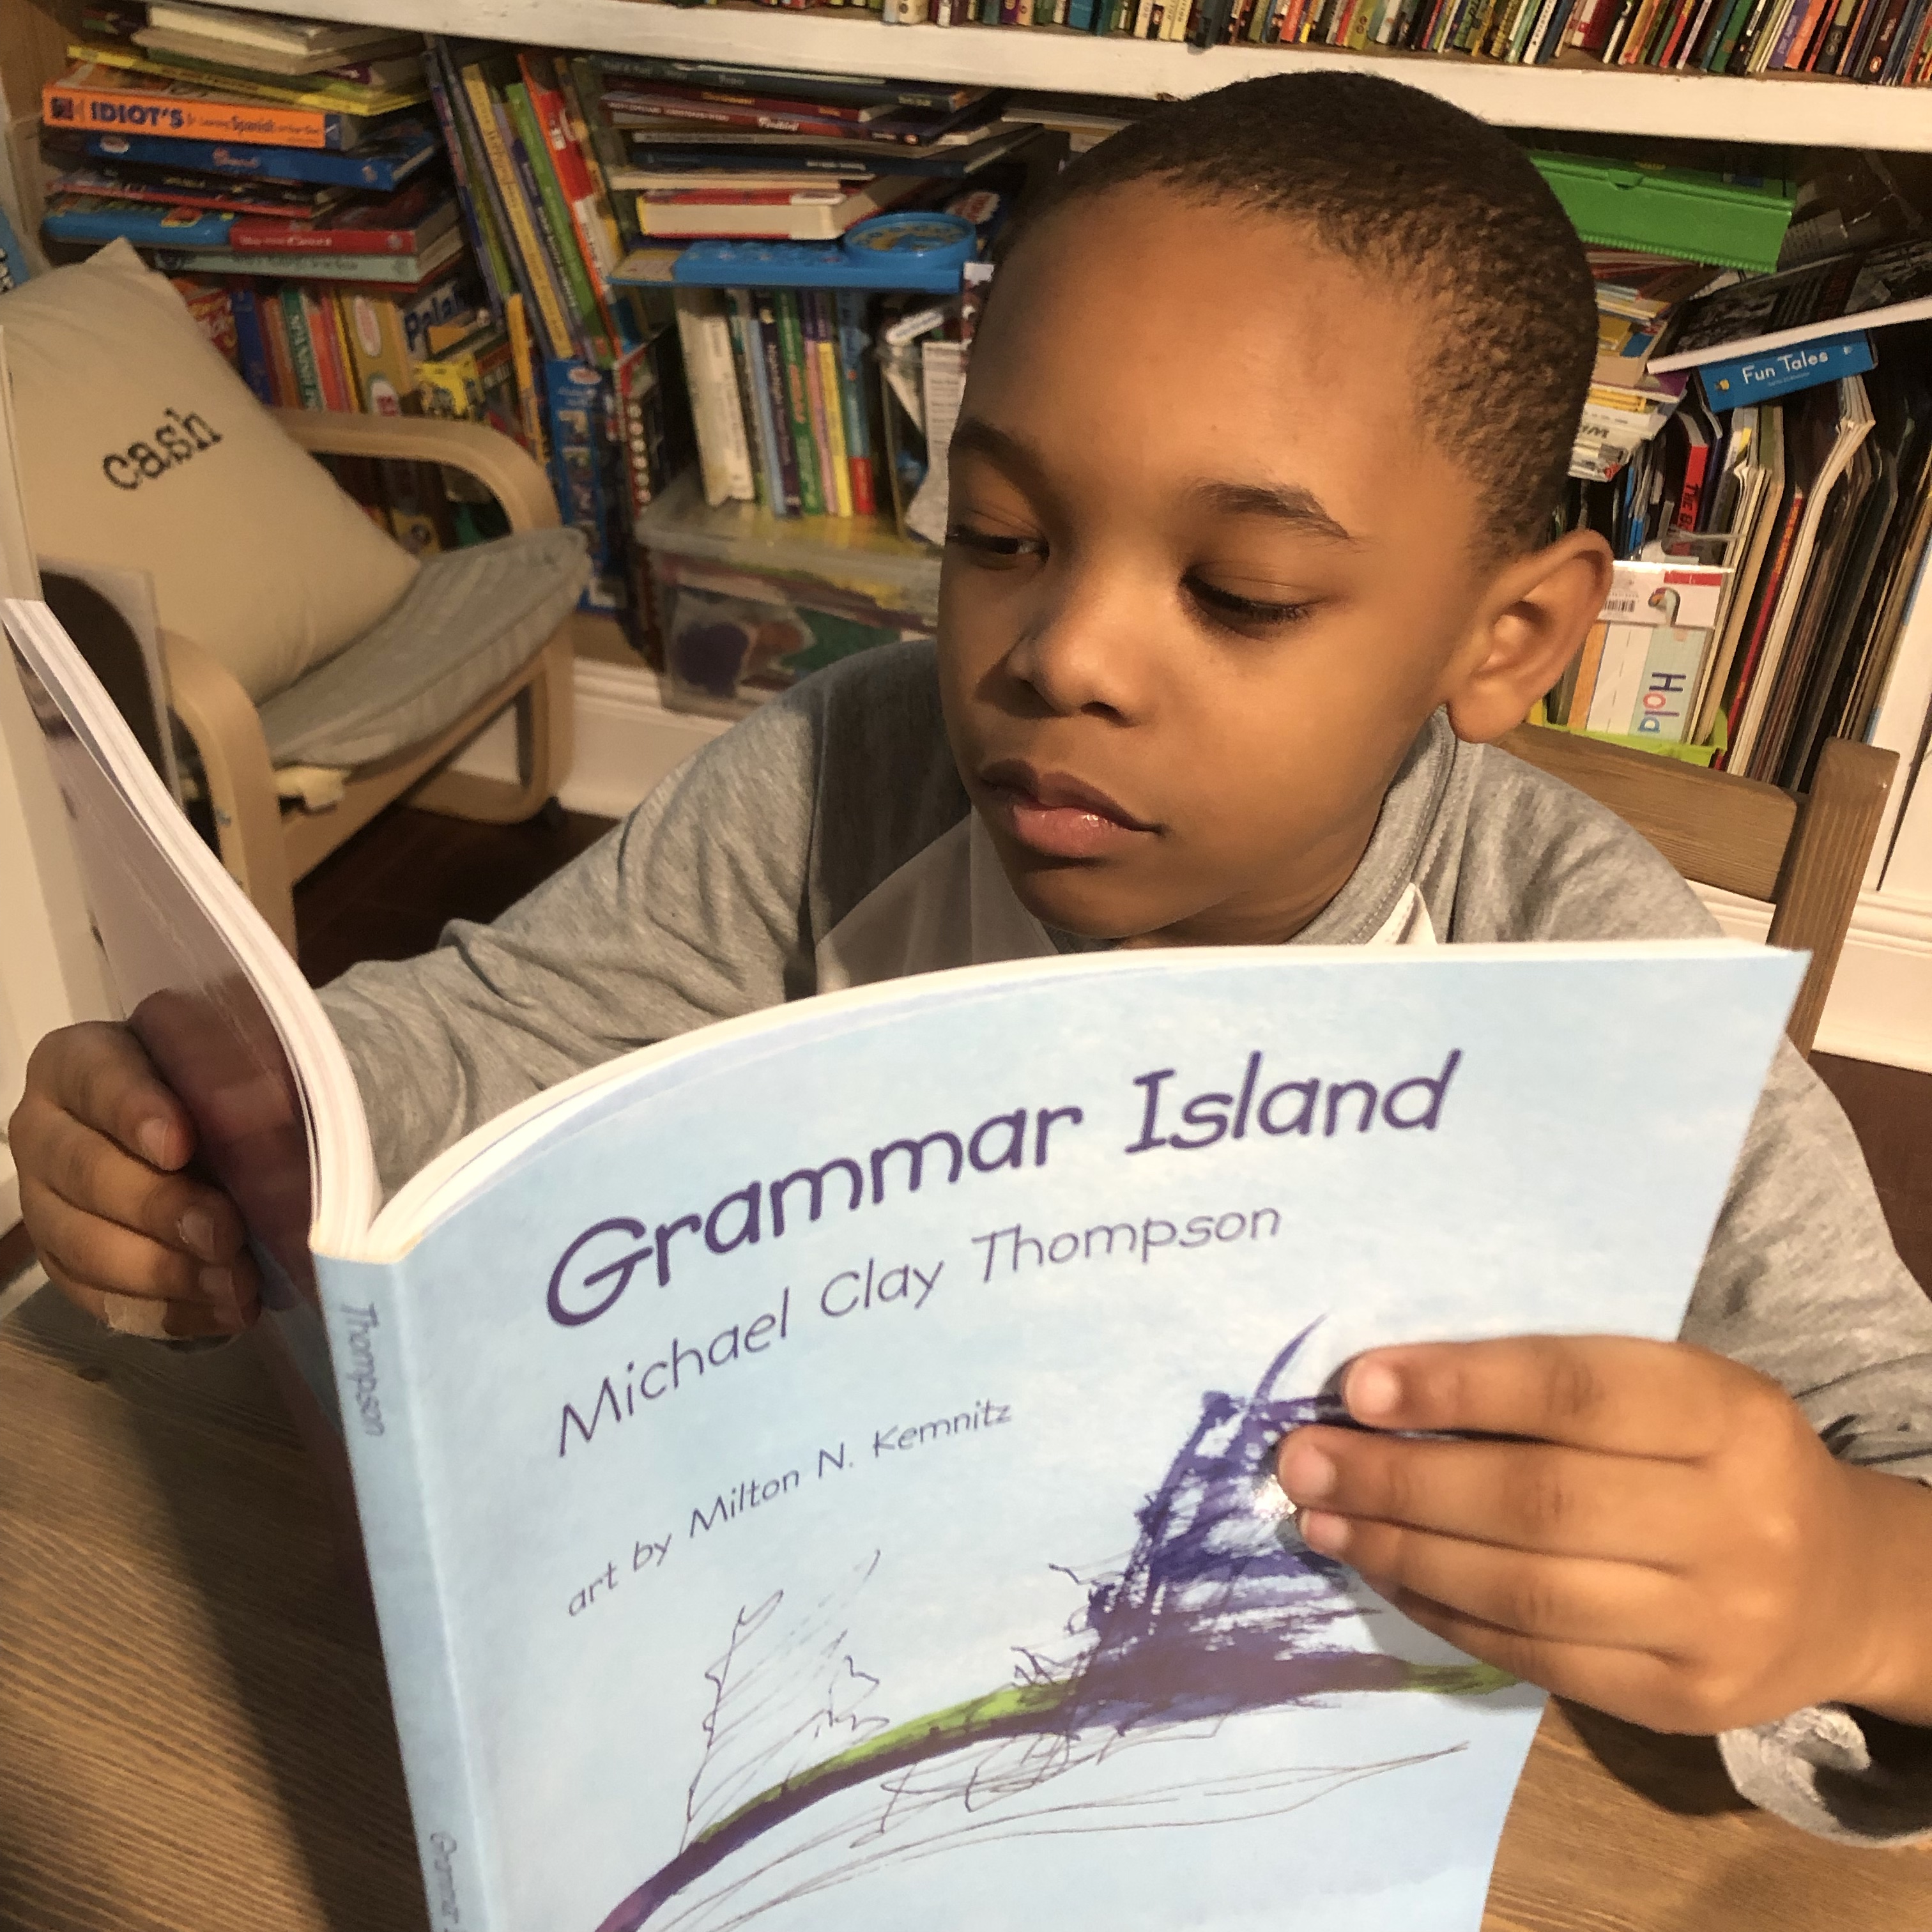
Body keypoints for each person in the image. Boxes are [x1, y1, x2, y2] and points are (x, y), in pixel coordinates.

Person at [12, 71, 1932, 1845]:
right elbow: (481, 1044)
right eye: (1000, 534)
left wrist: (1856, 1587)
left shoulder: (1582, 976)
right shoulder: (843, 779)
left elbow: (1889, 1424)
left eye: (1242, 592)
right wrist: (215, 1117)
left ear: (1504, 641)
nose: (1058, 655)